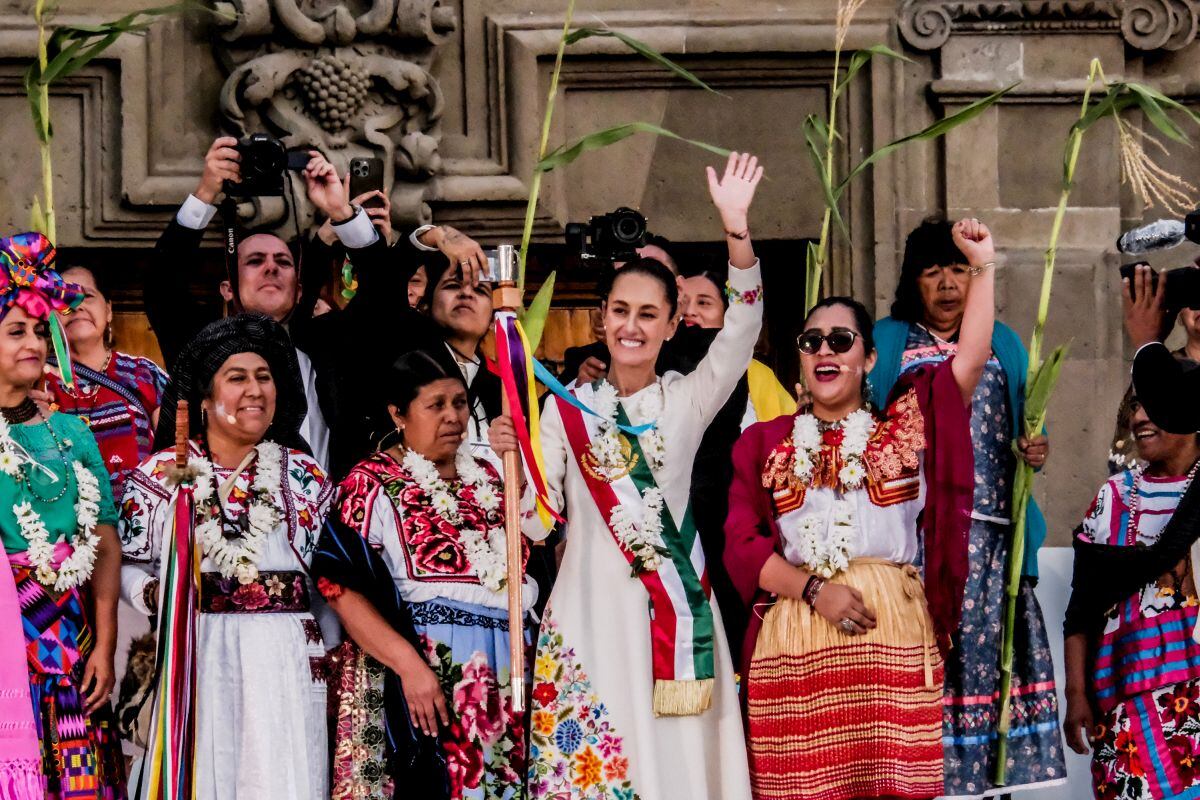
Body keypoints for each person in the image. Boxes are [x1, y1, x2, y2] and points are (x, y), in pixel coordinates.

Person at [498, 152, 764, 800]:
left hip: (666, 614)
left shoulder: (688, 399)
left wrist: (737, 231)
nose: (632, 326)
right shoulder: (566, 411)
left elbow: (744, 328)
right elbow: (539, 522)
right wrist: (514, 467)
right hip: (587, 613)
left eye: (649, 313)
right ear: (601, 319)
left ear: (674, 324)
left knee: (670, 761)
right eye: (620, 311)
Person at [725, 219, 990, 800]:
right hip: (796, 638)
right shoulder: (764, 442)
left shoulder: (907, 423)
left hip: (891, 639)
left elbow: (967, 363)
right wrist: (816, 591)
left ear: (869, 359)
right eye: (811, 341)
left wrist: (984, 266)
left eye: (841, 341)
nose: (824, 350)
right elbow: (742, 548)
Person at [146, 137, 487, 474]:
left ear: (298, 291)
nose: (270, 267)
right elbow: (162, 286)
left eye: (283, 261)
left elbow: (384, 292)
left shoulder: (332, 342)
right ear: (227, 289)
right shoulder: (204, 347)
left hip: (330, 521)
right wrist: (206, 193)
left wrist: (341, 212)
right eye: (254, 261)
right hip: (225, 515)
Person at [868, 218, 1066, 796]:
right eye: (933, 270)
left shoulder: (1001, 339)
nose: (948, 283)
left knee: (991, 666)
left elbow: (1031, 422)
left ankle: (991, 786)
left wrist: (1037, 445)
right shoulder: (887, 340)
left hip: (995, 545)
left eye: (958, 268)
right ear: (913, 279)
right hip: (919, 544)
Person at [118, 314, 334, 800]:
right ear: (205, 397)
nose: (254, 389)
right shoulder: (161, 474)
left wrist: (325, 653)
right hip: (198, 654)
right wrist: (154, 592)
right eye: (236, 378)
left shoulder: (304, 476)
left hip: (287, 660)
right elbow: (127, 563)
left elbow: (331, 580)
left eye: (264, 377)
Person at [314, 350, 534, 800]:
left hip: (507, 674)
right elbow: (338, 586)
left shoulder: (494, 475)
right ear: (398, 413)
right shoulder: (371, 482)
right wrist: (409, 665)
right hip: (421, 678)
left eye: (459, 403)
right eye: (436, 405)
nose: (453, 417)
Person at [0, 232, 125, 799]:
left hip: (70, 641)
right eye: (15, 331)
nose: (34, 341)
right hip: (11, 635)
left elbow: (102, 537)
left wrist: (103, 641)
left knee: (78, 778)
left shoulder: (71, 431)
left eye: (37, 329)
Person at [1063, 389, 1200, 799]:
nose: (1138, 417)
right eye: (1134, 406)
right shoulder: (1113, 497)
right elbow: (1081, 609)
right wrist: (1075, 695)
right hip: (1125, 709)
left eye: (1153, 405)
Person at [41, 264, 169, 493]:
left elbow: (174, 456)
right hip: (65, 522)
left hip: (137, 521)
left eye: (87, 296)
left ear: (108, 310)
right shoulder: (37, 381)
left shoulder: (145, 375)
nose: (76, 306)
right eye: (64, 299)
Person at [1108, 264, 1200, 472]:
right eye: (1193, 293)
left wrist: (1148, 343)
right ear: (1178, 310)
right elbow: (1126, 451)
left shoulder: (1154, 372)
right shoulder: (1157, 372)